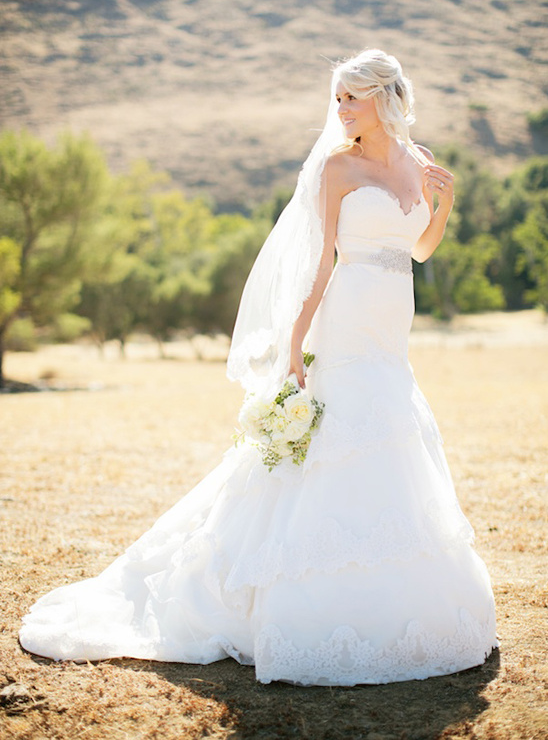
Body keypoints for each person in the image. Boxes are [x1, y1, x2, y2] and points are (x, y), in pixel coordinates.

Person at [19, 49, 498, 686]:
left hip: (392, 325)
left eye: (351, 97)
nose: (341, 108)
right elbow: (321, 265)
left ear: (383, 96)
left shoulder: (419, 161)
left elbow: (418, 250)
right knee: (340, 435)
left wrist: (442, 205)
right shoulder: (338, 166)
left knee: (392, 431)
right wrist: (296, 345)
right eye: (338, 98)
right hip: (347, 317)